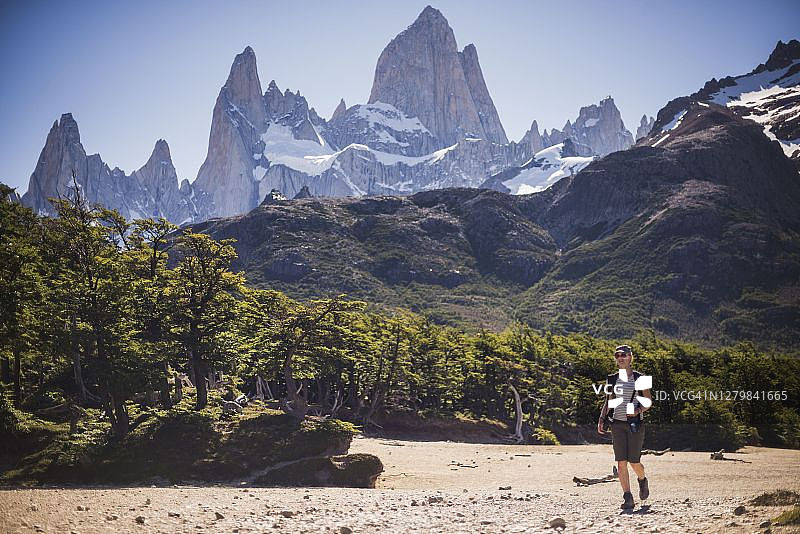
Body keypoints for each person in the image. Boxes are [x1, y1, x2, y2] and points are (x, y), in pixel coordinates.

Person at [597, 344, 652, 510]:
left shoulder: (641, 378)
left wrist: (637, 410)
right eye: (617, 355)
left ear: (630, 357)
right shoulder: (611, 379)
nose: (620, 358)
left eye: (623, 355)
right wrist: (601, 418)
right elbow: (609, 401)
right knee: (621, 462)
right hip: (617, 424)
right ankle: (628, 497)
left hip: (635, 424)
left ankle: (642, 480)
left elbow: (648, 402)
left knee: (634, 462)